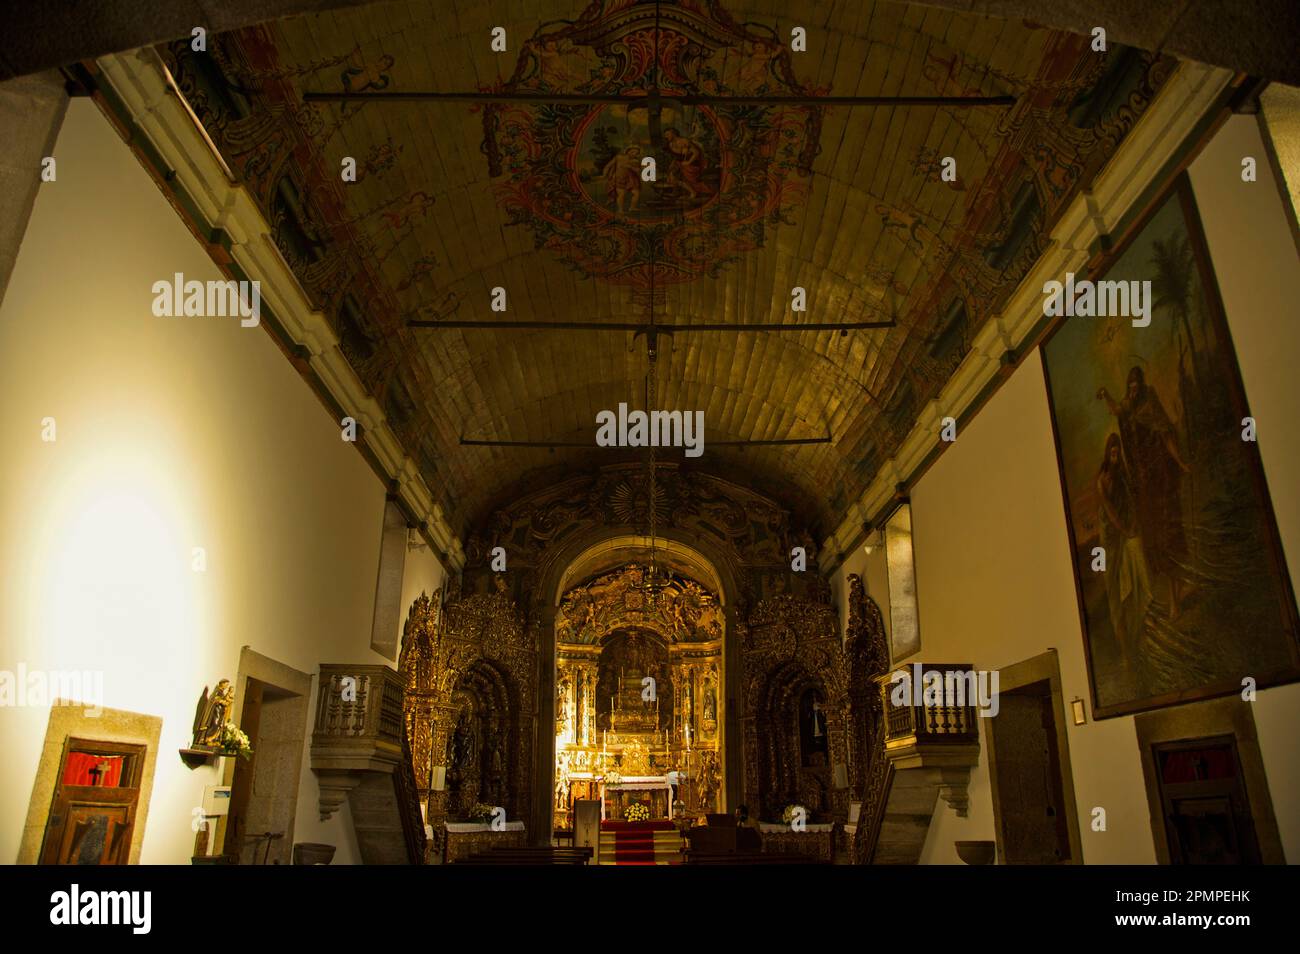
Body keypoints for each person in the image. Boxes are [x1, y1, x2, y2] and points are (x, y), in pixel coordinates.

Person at [1098, 366, 1191, 618]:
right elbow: (1117, 410)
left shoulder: (1150, 404)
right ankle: (1173, 593)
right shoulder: (1128, 406)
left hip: (1159, 477)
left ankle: (1175, 594)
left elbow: (1166, 436)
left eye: (1136, 383)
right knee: (1154, 541)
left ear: (1141, 383)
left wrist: (1180, 463)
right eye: (1130, 384)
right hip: (1144, 484)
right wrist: (1106, 395)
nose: (1133, 388)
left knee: (1167, 533)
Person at [1097, 432, 1152, 663]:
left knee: (1134, 573)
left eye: (1118, 453)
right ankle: (1125, 649)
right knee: (1113, 590)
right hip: (1110, 539)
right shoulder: (1102, 481)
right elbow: (1110, 512)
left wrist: (1133, 527)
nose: (1116, 457)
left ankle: (1143, 620)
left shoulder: (1123, 477)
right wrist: (1125, 530)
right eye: (1112, 453)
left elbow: (1130, 502)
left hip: (1126, 533)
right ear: (1107, 455)